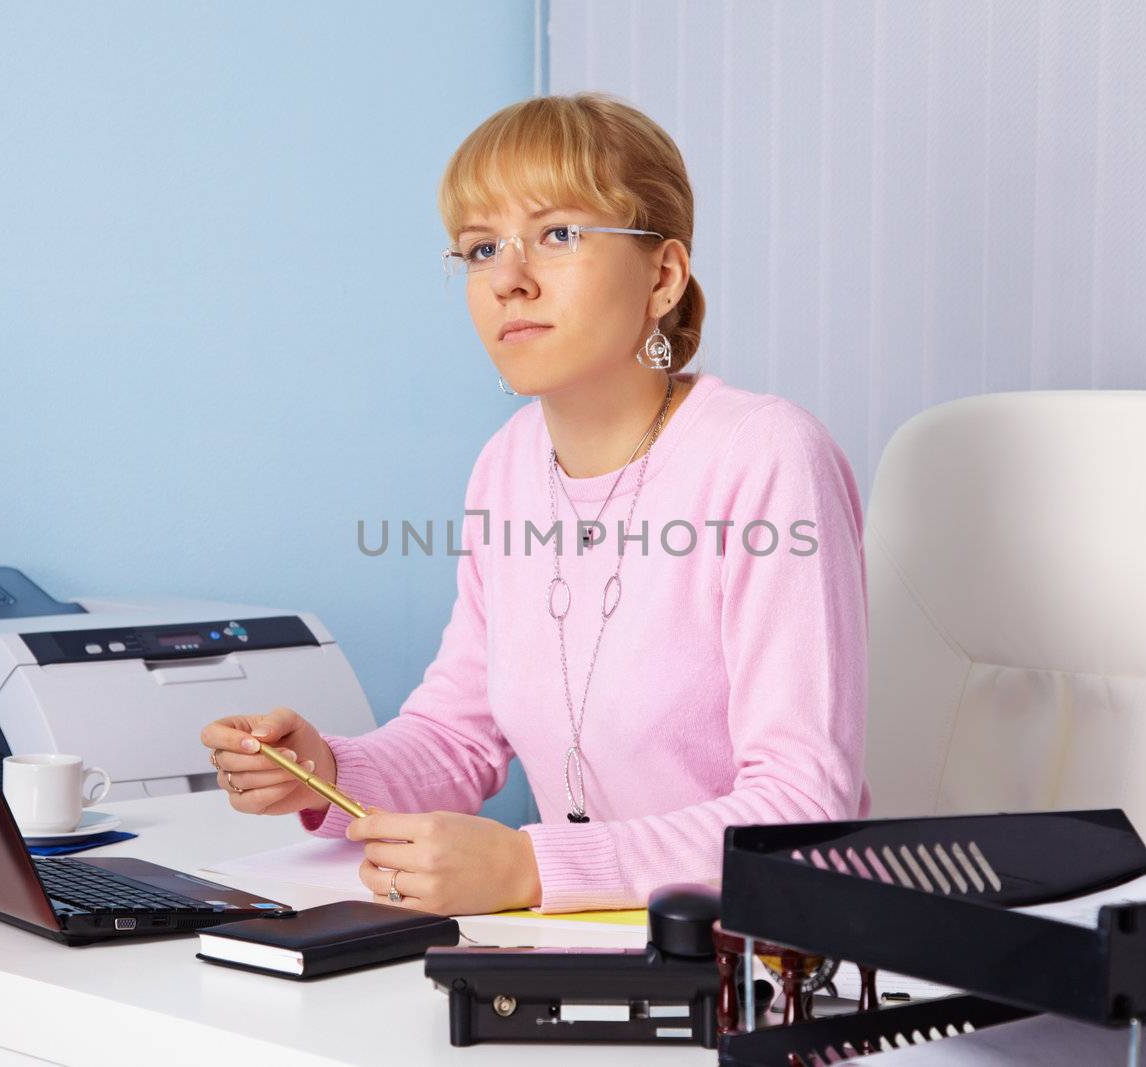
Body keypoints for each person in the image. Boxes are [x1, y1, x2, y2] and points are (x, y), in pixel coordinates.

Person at [200, 92, 870, 916]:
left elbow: (802, 809)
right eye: (481, 248)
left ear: (662, 274)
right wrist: (326, 771)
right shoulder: (508, 464)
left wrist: (535, 867)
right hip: (587, 949)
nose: (509, 280)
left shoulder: (765, 457)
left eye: (558, 235)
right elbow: (458, 734)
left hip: (757, 957)